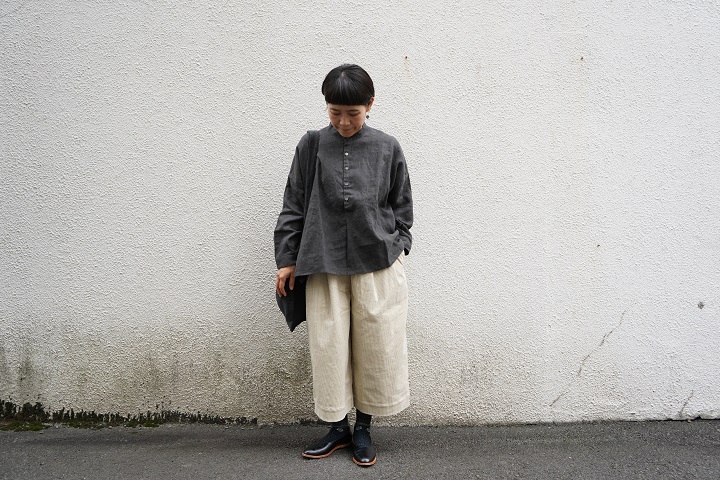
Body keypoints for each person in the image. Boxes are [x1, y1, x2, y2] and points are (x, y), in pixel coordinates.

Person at [274, 64, 413, 467]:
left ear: (370, 104)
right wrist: (287, 259)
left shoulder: (387, 147)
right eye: (335, 112)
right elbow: (294, 203)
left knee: (376, 346)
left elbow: (402, 205)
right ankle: (337, 428)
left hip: (377, 265)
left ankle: (364, 429)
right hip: (323, 262)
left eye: (353, 113)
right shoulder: (312, 146)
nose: (344, 122)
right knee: (329, 347)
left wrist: (399, 243)